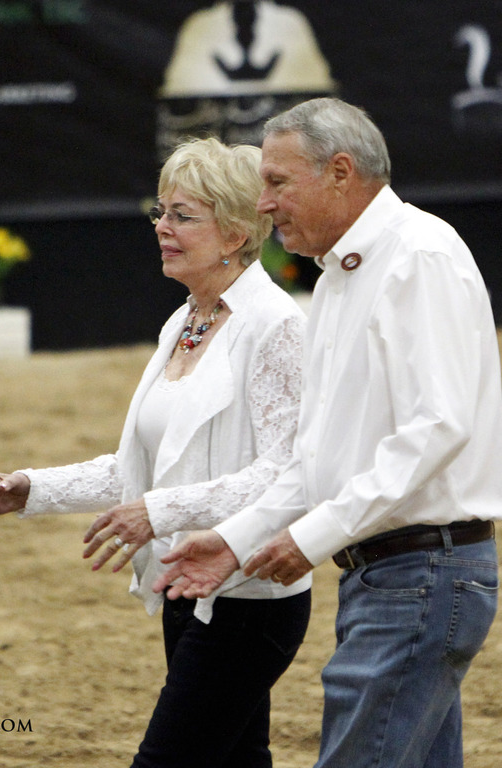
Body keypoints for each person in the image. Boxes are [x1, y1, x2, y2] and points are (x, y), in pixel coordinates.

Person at [154, 97, 502, 768]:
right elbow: (318, 456)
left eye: (278, 183)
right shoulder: (344, 277)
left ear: (340, 172)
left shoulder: (417, 259)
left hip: (420, 576)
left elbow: (438, 429)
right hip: (396, 576)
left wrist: (310, 537)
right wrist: (237, 539)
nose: (263, 204)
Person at [0, 137, 310, 768]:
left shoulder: (275, 324)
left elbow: (286, 473)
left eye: (182, 215)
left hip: (247, 601)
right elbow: (142, 467)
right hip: (184, 586)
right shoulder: (183, 322)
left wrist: (158, 510)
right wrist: (30, 490)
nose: (162, 228)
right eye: (160, 212)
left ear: (235, 234)